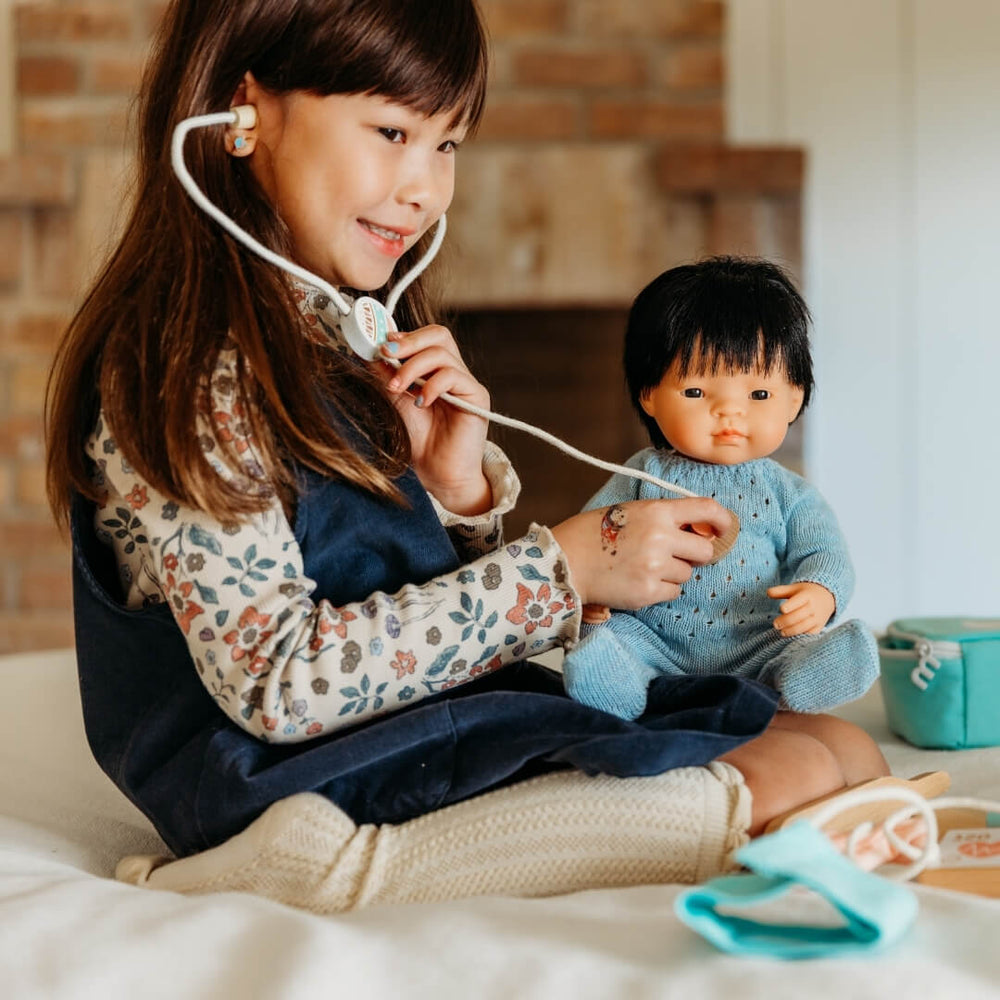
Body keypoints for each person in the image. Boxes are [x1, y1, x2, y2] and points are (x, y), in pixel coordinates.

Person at [44, 0, 887, 910]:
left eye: (446, 143)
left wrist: (451, 488)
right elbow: (280, 683)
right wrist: (560, 570)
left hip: (382, 731)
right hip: (268, 769)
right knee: (800, 774)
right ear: (245, 110)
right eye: (392, 132)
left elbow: (406, 621)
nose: (425, 189)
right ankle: (315, 861)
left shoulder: (330, 326)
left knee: (842, 750)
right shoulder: (184, 370)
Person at [563, 256, 881, 722]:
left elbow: (824, 551)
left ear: (793, 399)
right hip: (652, 637)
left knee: (794, 643)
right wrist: (593, 592)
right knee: (615, 641)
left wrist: (820, 592)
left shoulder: (787, 493)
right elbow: (595, 537)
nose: (729, 412)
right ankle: (615, 678)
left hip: (759, 639)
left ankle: (800, 673)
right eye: (696, 392)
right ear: (649, 394)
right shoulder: (641, 475)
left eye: (759, 395)